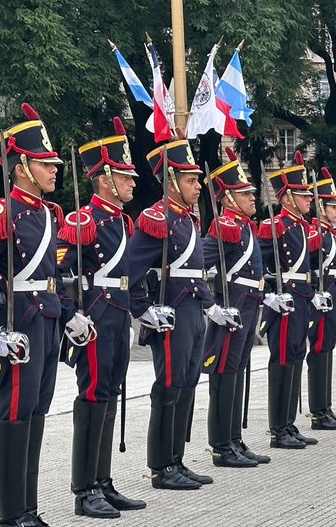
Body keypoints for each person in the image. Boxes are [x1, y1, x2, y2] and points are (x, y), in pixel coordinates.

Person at [0, 103, 81, 527]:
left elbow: (51, 277)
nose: (55, 171)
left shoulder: (48, 214)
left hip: (45, 323)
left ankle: (29, 511)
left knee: (35, 416)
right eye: (47, 164)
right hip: (16, 328)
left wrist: (69, 313)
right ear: (22, 166)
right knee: (13, 417)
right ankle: (11, 523)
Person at [58, 121, 148, 516]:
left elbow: (131, 273)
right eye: (126, 175)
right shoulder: (83, 221)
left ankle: (103, 480)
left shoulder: (123, 221)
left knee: (111, 393)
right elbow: (61, 272)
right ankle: (84, 489)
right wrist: (71, 314)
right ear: (106, 178)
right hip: (95, 315)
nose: (133, 182)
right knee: (93, 394)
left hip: (118, 314)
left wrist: (139, 309)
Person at [128, 137, 216, 485]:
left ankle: (176, 459)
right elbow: (131, 269)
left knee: (187, 384)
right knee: (168, 386)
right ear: (171, 182)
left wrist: (211, 305)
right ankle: (161, 465)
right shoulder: (157, 218)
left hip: (193, 312)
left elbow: (197, 272)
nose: (198, 186)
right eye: (191, 180)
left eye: (197, 179)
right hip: (172, 314)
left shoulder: (186, 218)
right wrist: (144, 309)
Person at [199, 153, 271, 467]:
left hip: (249, 305)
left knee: (238, 372)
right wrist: (211, 305)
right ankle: (221, 445)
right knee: (225, 374)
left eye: (252, 193)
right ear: (228, 198)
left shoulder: (244, 226)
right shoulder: (225, 226)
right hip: (233, 307)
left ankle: (234, 439)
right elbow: (194, 265)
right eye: (245, 194)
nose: (252, 198)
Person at [257, 151, 321, 445]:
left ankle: (290, 423)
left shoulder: (301, 227)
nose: (309, 200)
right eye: (302, 195)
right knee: (281, 361)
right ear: (286, 198)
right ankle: (277, 429)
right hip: (284, 302)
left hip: (302, 299)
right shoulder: (277, 225)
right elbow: (262, 265)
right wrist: (269, 296)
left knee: (296, 358)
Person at [305, 167, 336, 429]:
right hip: (321, 302)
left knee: (328, 350)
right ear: (321, 207)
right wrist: (313, 294)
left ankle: (326, 407)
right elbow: (303, 268)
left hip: (334, 300)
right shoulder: (315, 234)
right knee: (320, 352)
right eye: (333, 207)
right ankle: (318, 412)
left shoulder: (331, 234)